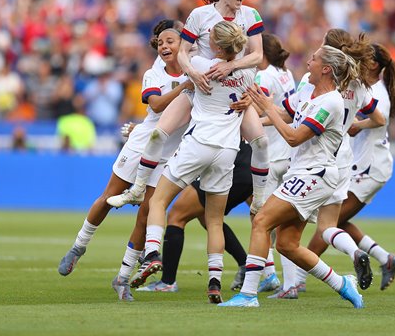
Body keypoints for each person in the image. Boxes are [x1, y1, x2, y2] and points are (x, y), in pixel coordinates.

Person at [108, 0, 269, 210]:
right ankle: (138, 188)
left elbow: (257, 56)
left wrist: (231, 67)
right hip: (199, 90)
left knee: (261, 143)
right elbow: (183, 53)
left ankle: (259, 200)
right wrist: (193, 74)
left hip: (232, 92)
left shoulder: (251, 15)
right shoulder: (200, 15)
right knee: (157, 134)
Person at [219, 45, 364, 308]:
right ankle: (342, 284)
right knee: (287, 244)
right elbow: (286, 114)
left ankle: (249, 295)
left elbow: (294, 137)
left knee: (261, 219)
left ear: (326, 69)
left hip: (315, 174)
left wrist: (266, 107)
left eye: (314, 58)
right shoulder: (308, 91)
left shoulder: (331, 102)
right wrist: (250, 114)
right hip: (302, 173)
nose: (308, 61)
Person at [57, 20, 192, 301]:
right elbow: (154, 105)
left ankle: (123, 278)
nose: (165, 46)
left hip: (168, 154)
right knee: (109, 196)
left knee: (147, 213)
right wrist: (185, 86)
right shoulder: (154, 73)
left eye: (171, 41)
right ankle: (79, 246)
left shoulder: (197, 67)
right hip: (142, 144)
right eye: (161, 42)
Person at [129, 21, 256, 304]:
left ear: (218, 46)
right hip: (227, 152)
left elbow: (184, 52)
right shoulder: (248, 72)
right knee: (214, 221)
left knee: (158, 201)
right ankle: (214, 283)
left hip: (197, 144)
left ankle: (151, 254)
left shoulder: (199, 63)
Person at [289, 29, 386, 294]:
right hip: (342, 159)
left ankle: (289, 284)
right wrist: (355, 125)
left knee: (283, 224)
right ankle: (355, 252)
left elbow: (291, 113)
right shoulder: (357, 84)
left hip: (313, 157)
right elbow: (380, 119)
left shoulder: (315, 82)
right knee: (328, 226)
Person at [309, 43, 395, 290]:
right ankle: (386, 258)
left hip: (371, 166)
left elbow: (380, 120)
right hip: (359, 164)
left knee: (328, 223)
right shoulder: (364, 87)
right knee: (335, 220)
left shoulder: (378, 91)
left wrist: (357, 124)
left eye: (364, 57)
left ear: (373, 65)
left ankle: (298, 273)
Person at [137, 140, 253, 293]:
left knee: (177, 216)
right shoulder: (241, 115)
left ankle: (167, 282)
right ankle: (244, 265)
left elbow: (178, 125)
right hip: (247, 167)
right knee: (209, 219)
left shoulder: (205, 117)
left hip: (224, 162)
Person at [252, 33, 297, 294]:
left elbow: (259, 110)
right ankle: (288, 282)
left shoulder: (264, 76)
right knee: (282, 222)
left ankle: (266, 274)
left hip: (270, 154)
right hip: (288, 153)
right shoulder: (285, 73)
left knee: (261, 218)